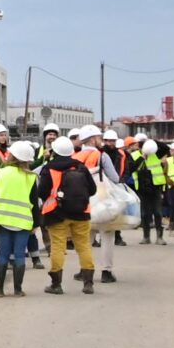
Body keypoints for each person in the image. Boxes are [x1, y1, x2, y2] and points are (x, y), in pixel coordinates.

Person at [34, 136, 98, 295]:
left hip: (57, 214)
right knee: (83, 246)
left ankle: (56, 284)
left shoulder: (49, 168)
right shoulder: (81, 167)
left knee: (57, 247)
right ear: (71, 151)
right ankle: (88, 283)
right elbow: (92, 190)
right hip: (81, 213)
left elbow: (41, 192)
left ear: (54, 150)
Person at [0, 141, 39, 297]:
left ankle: (0, 290)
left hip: (3, 219)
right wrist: (36, 223)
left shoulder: (1, 173)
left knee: (3, 254)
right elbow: (34, 202)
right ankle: (17, 289)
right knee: (19, 254)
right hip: (22, 221)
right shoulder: (30, 178)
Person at [74, 126, 120, 283]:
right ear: (93, 139)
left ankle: (84, 270)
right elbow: (115, 178)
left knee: (86, 235)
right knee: (107, 234)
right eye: (99, 138)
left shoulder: (76, 156)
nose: (101, 141)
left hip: (83, 200)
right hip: (101, 197)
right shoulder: (102, 156)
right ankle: (106, 272)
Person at [136, 138, 167, 243]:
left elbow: (165, 148)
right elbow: (132, 167)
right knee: (145, 214)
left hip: (156, 187)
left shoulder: (156, 153)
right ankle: (146, 237)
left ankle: (159, 237)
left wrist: (153, 141)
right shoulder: (135, 156)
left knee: (158, 212)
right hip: (143, 188)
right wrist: (142, 157)